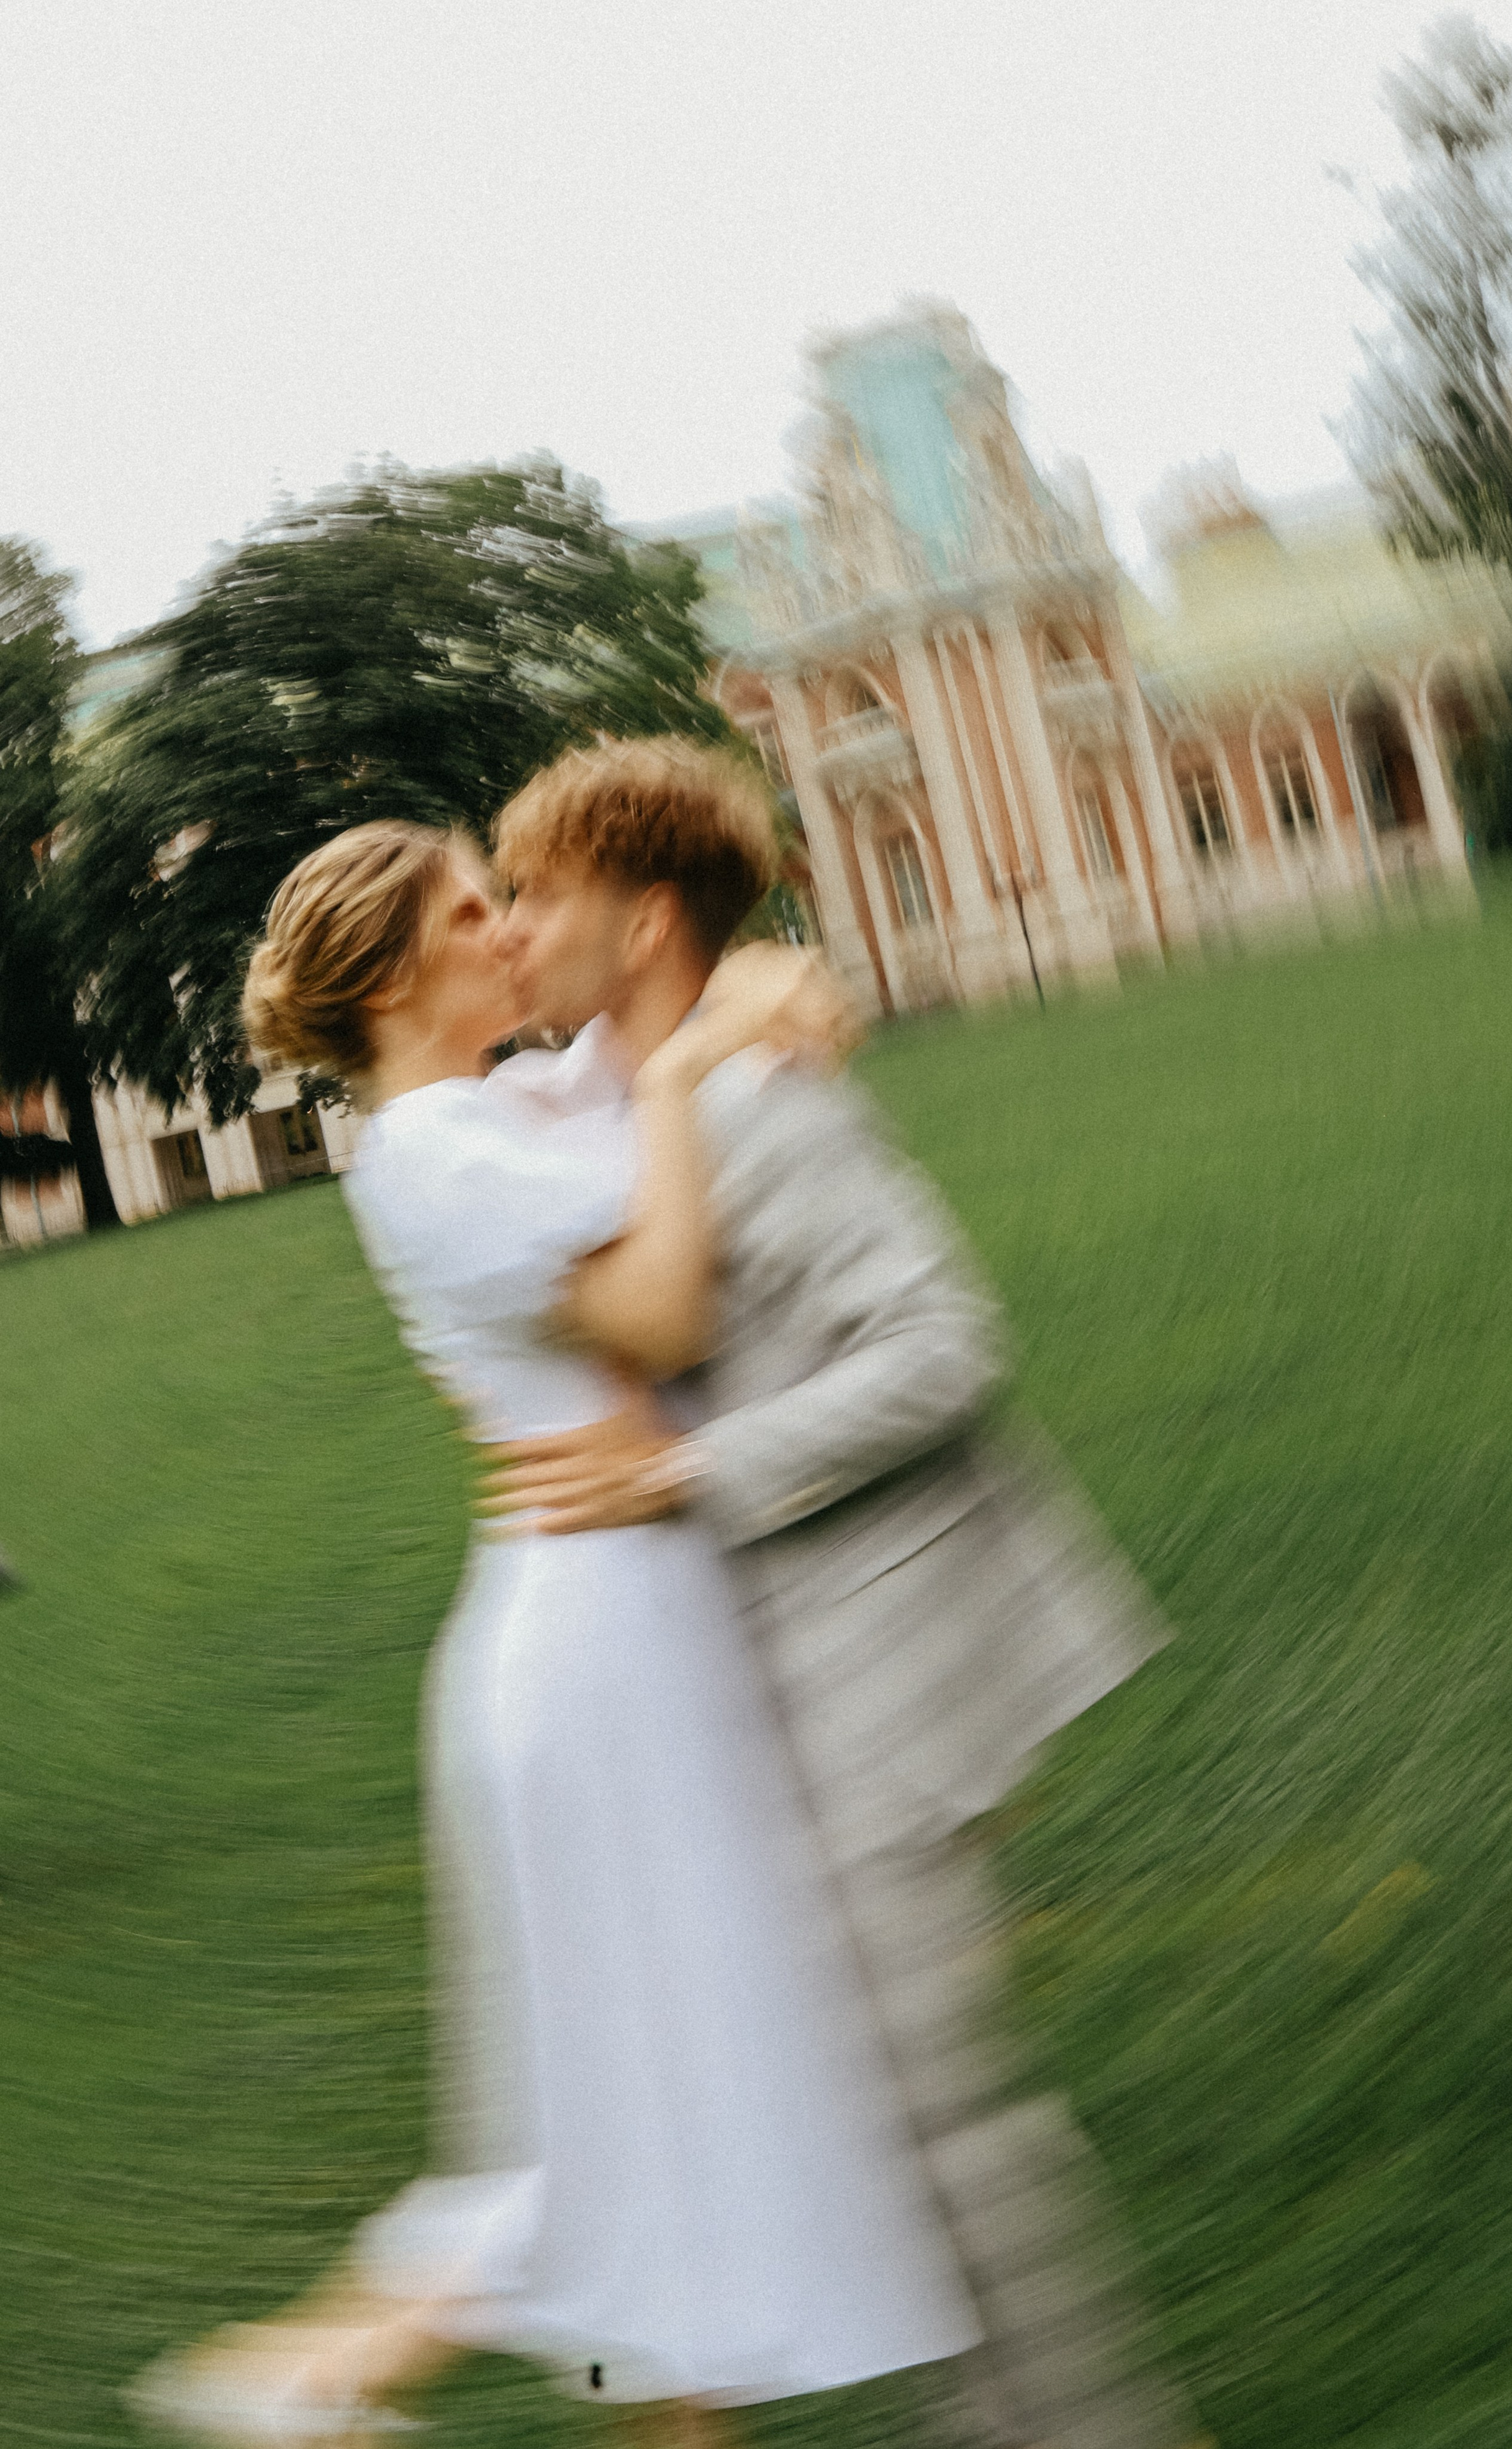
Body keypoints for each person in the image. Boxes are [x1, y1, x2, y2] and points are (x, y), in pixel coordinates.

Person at [130, 814, 981, 2445]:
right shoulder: (431, 1152)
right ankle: (304, 2380)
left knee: (678, 2113)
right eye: (474, 912)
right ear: (394, 976)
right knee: (636, 2122)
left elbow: (670, 1021)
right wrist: (688, 1072)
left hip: (641, 1621)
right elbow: (660, 1314)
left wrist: (752, 990)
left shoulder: (506, 1101)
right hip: (596, 1652)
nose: (513, 930)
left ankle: (346, 2380)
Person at [478, 738, 1190, 2449]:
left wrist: (691, 1472)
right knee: (863, 2105)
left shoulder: (771, 1111)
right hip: (768, 1683)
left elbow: (945, 1347)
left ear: (648, 922)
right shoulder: (615, 1096)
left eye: (539, 896)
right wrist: (761, 980)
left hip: (895, 1657)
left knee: (924, 2105)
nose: (511, 931)